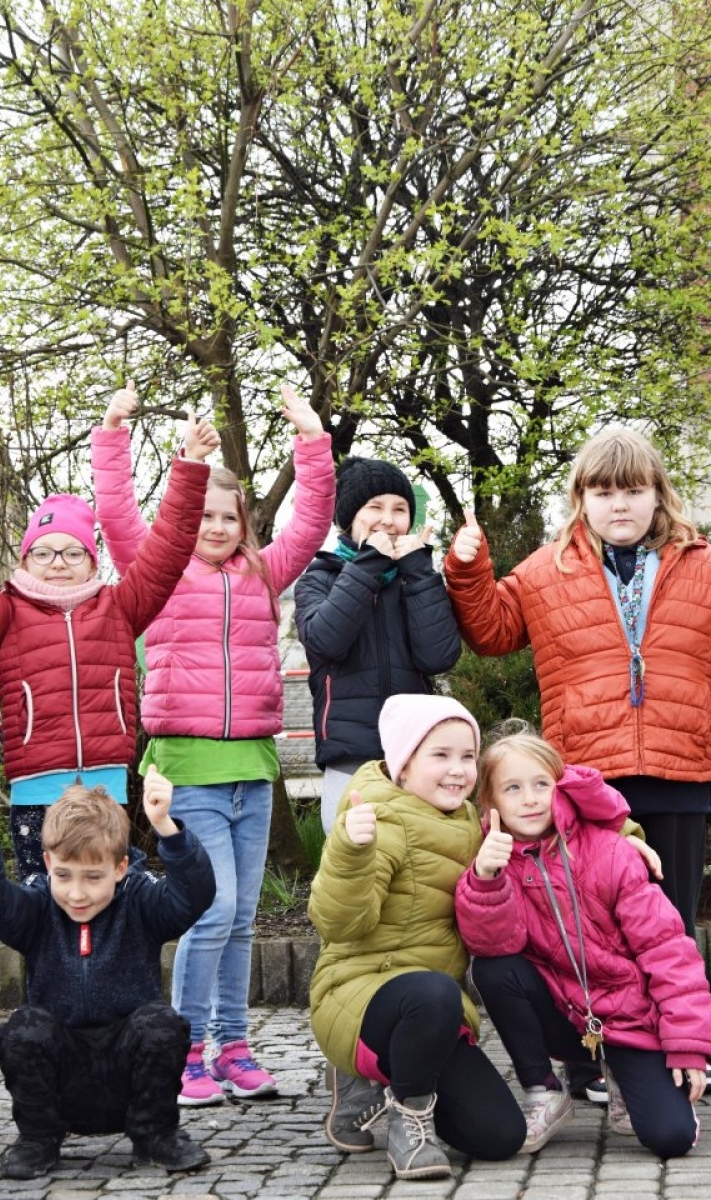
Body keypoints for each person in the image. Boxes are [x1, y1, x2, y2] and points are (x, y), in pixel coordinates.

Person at [91, 382, 335, 1106]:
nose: (216, 525)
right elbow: (116, 512)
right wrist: (118, 434)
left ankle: (233, 1045)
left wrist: (313, 442)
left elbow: (314, 517)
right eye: (202, 514)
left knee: (242, 917)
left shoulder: (264, 574)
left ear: (246, 523)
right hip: (187, 766)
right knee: (212, 908)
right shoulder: (158, 571)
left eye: (230, 516)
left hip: (252, 768)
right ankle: (185, 1047)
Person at [0, 382, 216, 878]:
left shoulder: (120, 608)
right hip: (37, 797)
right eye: (45, 552)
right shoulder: (4, 616)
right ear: (25, 557)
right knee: (46, 917)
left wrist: (191, 464)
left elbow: (169, 548)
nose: (59, 563)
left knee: (115, 910)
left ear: (90, 559)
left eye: (73, 552)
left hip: (108, 792)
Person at [445, 427, 711, 941]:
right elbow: (491, 631)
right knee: (603, 925)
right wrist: (467, 567)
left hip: (680, 773)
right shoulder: (549, 568)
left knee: (671, 927)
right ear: (581, 498)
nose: (620, 506)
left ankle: (677, 1024)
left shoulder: (703, 565)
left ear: (658, 494)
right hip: (588, 777)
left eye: (633, 491)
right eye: (604, 493)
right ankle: (607, 1024)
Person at [455, 729, 711, 1158]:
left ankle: (622, 1076)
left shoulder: (611, 852)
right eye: (512, 788)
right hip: (565, 1016)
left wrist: (687, 1044)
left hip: (630, 1021)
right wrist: (487, 880)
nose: (530, 799)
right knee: (493, 968)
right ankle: (545, 1090)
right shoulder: (492, 862)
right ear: (491, 803)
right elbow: (495, 942)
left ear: (561, 787)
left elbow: (669, 951)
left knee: (672, 1137)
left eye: (541, 784)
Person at [0, 762, 216, 1179]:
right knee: (24, 1026)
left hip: (131, 1079)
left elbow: (195, 895)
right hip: (62, 1080)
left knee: (162, 1023)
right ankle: (38, 1140)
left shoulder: (140, 902)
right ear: (46, 862)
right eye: (64, 875)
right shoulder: (39, 906)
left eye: (93, 877)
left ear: (119, 868)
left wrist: (166, 826)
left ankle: (156, 1137)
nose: (77, 893)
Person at [308, 694, 527, 1181]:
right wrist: (348, 851)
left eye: (467, 756)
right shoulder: (378, 820)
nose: (458, 770)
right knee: (434, 990)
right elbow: (339, 925)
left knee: (499, 1135)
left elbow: (549, 801)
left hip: (432, 1012)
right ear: (403, 765)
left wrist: (631, 836)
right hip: (360, 993)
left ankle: (381, 1077)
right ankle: (409, 1116)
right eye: (440, 755)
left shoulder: (471, 821)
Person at [294, 455, 461, 834]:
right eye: (375, 507)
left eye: (399, 509)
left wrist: (419, 571)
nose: (388, 519)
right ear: (350, 517)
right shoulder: (318, 577)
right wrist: (368, 563)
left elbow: (439, 655)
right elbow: (325, 641)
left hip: (416, 756)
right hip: (349, 757)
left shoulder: (415, 578)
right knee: (352, 870)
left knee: (418, 875)